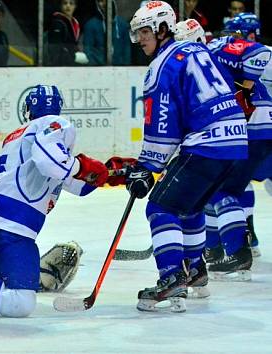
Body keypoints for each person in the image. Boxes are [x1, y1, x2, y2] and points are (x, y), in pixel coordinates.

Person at [127, 1, 248, 312]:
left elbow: (162, 122)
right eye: (137, 33)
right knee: (190, 206)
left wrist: (147, 167)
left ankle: (171, 277)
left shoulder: (162, 65)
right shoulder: (197, 51)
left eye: (144, 32)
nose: (139, 39)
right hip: (235, 140)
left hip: (207, 143)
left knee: (160, 206)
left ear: (163, 28)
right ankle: (195, 271)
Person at [0, 84, 111, 318]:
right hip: (11, 223)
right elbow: (50, 162)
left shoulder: (19, 134)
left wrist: (108, 174)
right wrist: (82, 166)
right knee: (21, 302)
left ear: (28, 109)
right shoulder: (55, 124)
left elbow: (67, 179)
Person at [201, 13, 272, 280]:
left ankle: (232, 249)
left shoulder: (216, 49)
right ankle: (243, 240)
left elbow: (259, 54)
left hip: (256, 131)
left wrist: (246, 87)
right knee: (238, 185)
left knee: (220, 188)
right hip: (264, 131)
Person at [82, 0, 130, 66]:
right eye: (100, 1)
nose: (103, 4)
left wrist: (126, 67)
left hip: (120, 69)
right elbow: (88, 50)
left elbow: (127, 50)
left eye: (106, 1)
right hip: (98, 69)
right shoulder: (90, 25)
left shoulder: (123, 24)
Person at [43, 0, 88, 66]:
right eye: (65, 3)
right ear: (61, 6)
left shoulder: (75, 23)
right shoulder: (57, 23)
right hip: (59, 67)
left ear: (75, 6)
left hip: (69, 66)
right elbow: (55, 51)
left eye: (71, 3)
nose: (68, 6)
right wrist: (75, 57)